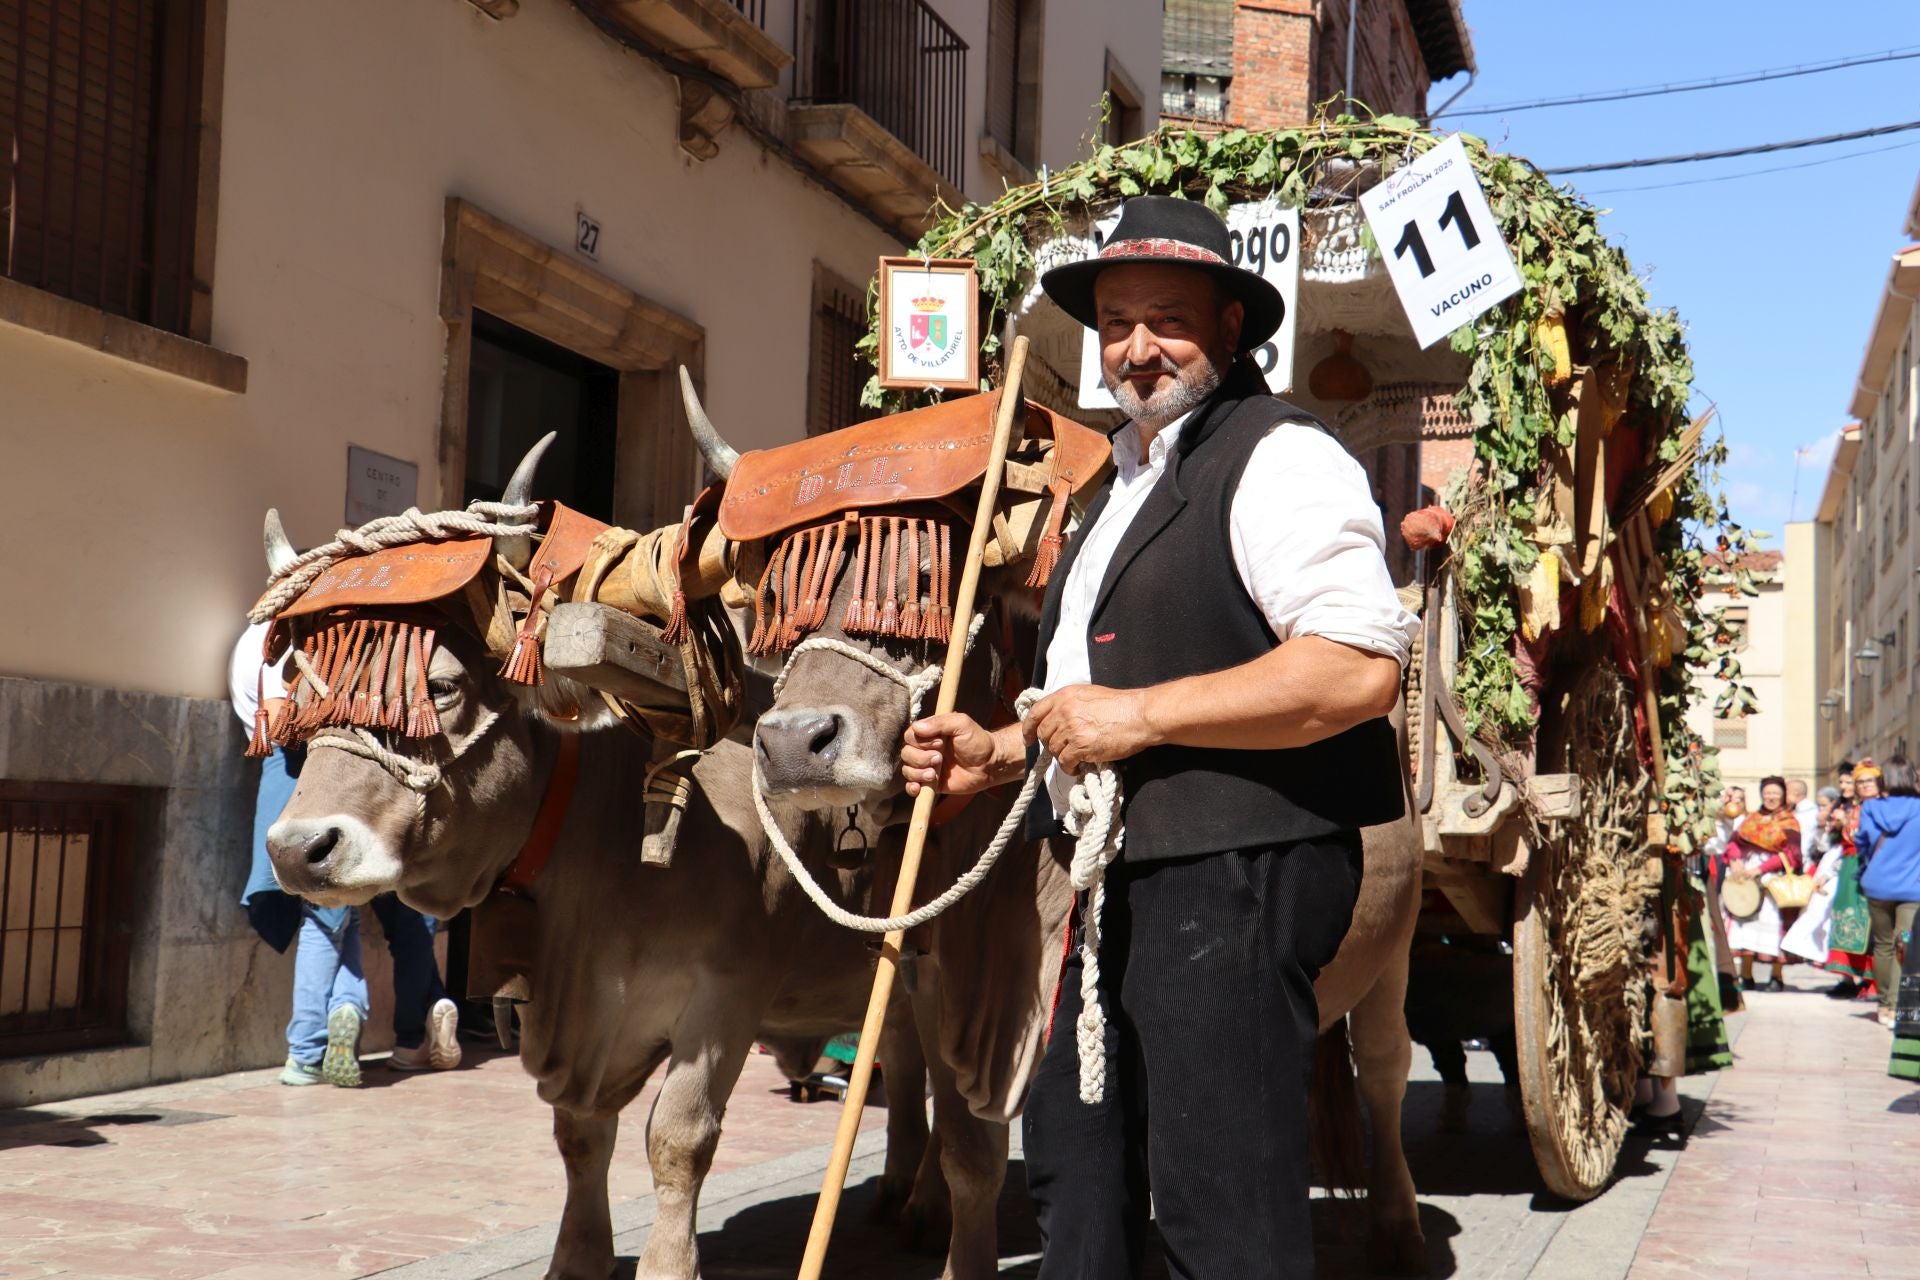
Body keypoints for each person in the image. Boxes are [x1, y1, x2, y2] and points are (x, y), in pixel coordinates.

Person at [899, 196, 1416, 1279]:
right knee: (1076, 1182)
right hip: (1108, 882)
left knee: (1218, 1212)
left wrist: (1136, 718)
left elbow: (1358, 667)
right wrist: (994, 752)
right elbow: (1083, 695)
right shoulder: (1115, 491)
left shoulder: (1280, 457)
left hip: (1232, 872)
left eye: (1169, 318)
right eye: (1118, 322)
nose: (1137, 348)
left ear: (1230, 329)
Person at [232, 622, 463, 1085]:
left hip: (307, 780)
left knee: (328, 919)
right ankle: (409, 1034)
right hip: (342, 779)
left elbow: (272, 721)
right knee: (409, 917)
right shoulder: (326, 636)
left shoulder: (253, 641)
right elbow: (284, 717)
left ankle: (312, 1043)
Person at [1720, 776, 1803, 992]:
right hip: (1746, 877)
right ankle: (1746, 975)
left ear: (1783, 795)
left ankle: (1776, 975)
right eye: (1767, 793)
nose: (1771, 797)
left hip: (1772, 878)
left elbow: (1792, 854)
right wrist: (1736, 860)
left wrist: (1761, 869)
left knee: (1772, 926)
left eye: (1775, 793)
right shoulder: (1752, 818)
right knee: (1745, 924)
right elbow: (1734, 842)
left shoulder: (1789, 821)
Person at [1859, 756, 1920, 1029]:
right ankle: (1900, 1005)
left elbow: (1863, 842)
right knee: (1904, 943)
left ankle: (1885, 1005)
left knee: (1882, 945)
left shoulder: (1870, 808)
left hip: (1878, 887)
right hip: (1912, 890)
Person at [1821, 766, 1876, 999]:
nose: (1852, 787)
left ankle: (1871, 979)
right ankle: (1847, 976)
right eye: (1857, 782)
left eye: (1865, 782)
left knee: (1867, 920)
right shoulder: (1850, 808)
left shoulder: (1878, 807)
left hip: (1869, 864)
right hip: (1849, 865)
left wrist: (1846, 825)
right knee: (1845, 916)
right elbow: (1836, 843)